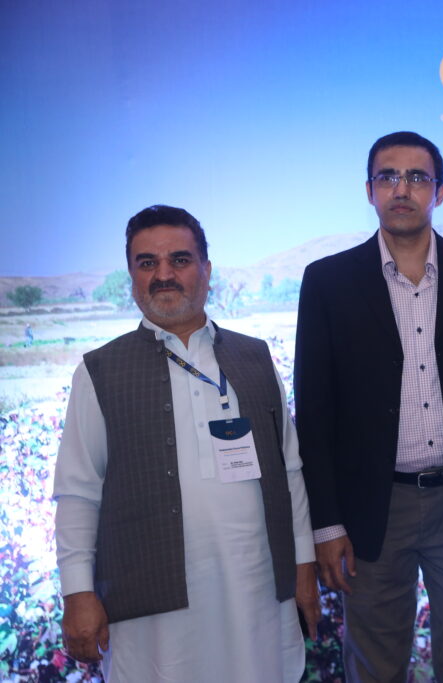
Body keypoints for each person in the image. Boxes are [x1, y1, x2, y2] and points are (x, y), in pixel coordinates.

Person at [295, 131, 443, 682]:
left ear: (439, 191)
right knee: (375, 667)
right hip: (373, 508)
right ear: (369, 190)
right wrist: (326, 525)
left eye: (416, 177)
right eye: (388, 177)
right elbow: (313, 414)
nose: (401, 189)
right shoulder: (328, 281)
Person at [53, 205, 319, 682]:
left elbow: (290, 471)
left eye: (179, 259)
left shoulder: (255, 357)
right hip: (153, 611)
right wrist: (77, 591)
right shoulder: (99, 371)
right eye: (147, 263)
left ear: (206, 270)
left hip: (257, 589)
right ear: (132, 276)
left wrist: (303, 564)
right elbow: (78, 492)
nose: (164, 275)